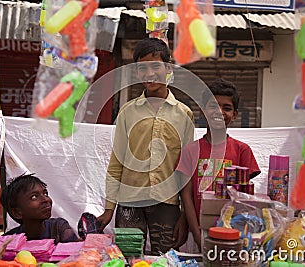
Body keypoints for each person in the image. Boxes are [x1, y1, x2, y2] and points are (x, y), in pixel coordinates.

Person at [97, 38, 195, 254]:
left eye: (155, 66)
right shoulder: (127, 112)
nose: (149, 73)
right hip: (129, 203)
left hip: (167, 204)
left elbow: (187, 170)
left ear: (168, 68)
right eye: (142, 68)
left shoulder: (184, 114)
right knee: (128, 258)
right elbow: (116, 164)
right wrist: (108, 209)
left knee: (165, 258)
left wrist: (185, 216)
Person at [176, 78, 261, 249]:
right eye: (213, 106)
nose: (219, 111)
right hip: (198, 232)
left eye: (227, 108)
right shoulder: (190, 151)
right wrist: (199, 238)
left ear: (235, 114)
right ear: (203, 111)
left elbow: (246, 199)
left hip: (234, 234)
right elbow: (186, 197)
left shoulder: (242, 150)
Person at [0, 173, 79, 244]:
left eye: (45, 193)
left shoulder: (59, 228)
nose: (46, 199)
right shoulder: (8, 241)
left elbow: (77, 254)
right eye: (34, 197)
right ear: (17, 212)